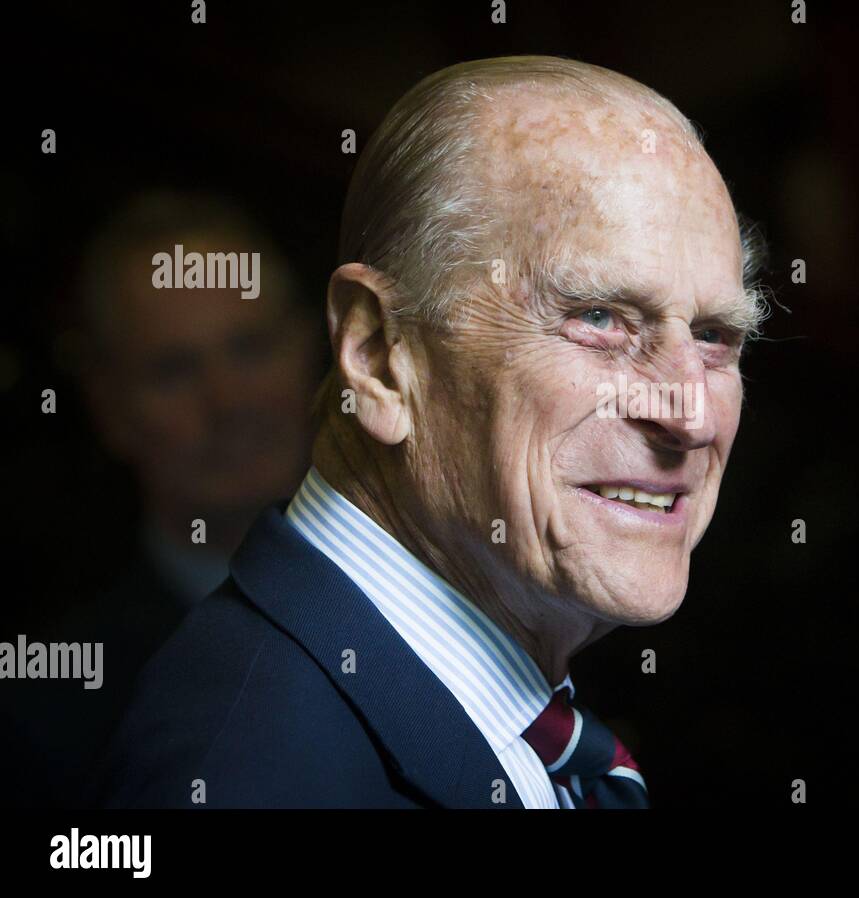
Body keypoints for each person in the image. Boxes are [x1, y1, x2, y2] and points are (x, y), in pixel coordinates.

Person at [93, 55, 768, 809]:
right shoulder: (249, 773)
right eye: (599, 319)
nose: (692, 415)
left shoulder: (512, 696)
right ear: (380, 356)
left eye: (714, 336)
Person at [0, 191, 319, 808]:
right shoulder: (49, 706)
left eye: (251, 347)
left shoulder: (467, 599)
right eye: (173, 369)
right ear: (111, 407)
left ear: (316, 348)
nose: (229, 402)